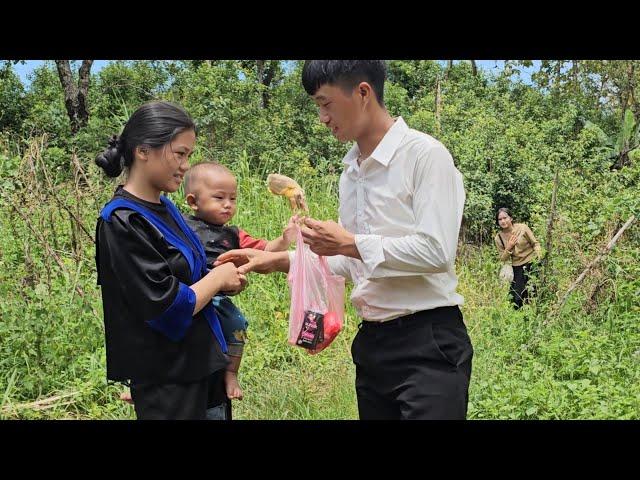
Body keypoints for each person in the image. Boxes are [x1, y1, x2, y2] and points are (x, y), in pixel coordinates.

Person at [216, 60, 474, 420]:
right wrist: (277, 260)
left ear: (363, 92)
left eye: (326, 103)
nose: (322, 117)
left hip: (427, 341)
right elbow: (355, 263)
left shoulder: (424, 156)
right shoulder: (351, 173)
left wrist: (349, 242)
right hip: (372, 344)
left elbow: (436, 252)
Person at [95, 101, 246, 420]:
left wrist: (226, 275)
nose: (185, 165)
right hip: (169, 380)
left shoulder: (167, 208)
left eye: (189, 155)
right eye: (179, 154)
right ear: (143, 150)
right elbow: (165, 306)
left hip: (202, 368)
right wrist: (218, 279)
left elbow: (192, 275)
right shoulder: (122, 221)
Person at [181, 161, 297, 400]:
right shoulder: (181, 226)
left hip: (219, 298)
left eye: (232, 199)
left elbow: (266, 250)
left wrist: (285, 240)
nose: (227, 205)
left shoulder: (233, 234)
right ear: (193, 202)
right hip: (189, 293)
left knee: (237, 323)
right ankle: (140, 381)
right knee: (164, 327)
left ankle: (231, 371)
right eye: (219, 198)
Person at [494, 207, 542, 309]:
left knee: (533, 292)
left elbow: (535, 243)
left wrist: (539, 255)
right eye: (500, 219)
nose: (503, 221)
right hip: (517, 266)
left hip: (532, 262)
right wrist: (509, 247)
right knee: (516, 299)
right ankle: (518, 319)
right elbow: (503, 258)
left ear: (510, 218)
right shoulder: (499, 238)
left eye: (505, 218)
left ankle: (534, 314)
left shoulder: (522, 228)